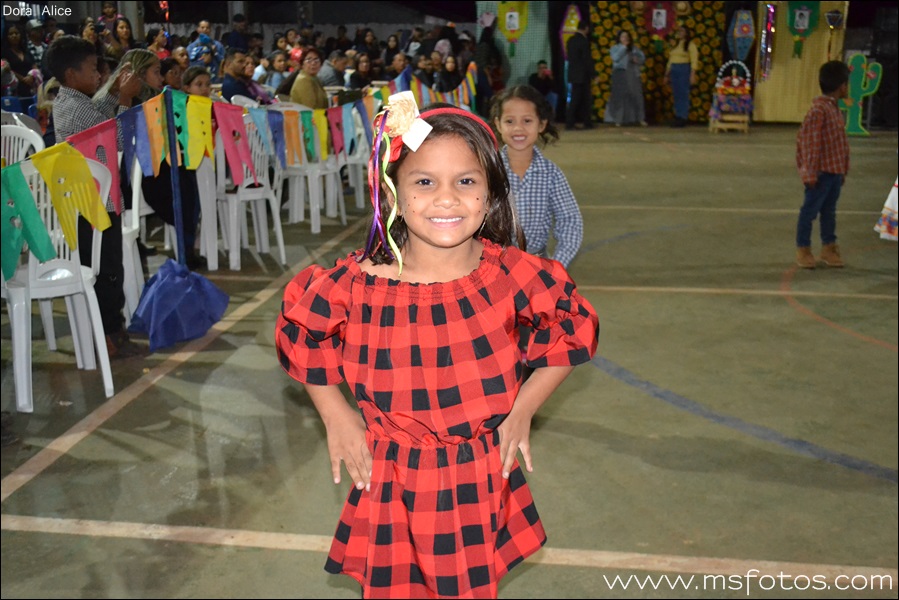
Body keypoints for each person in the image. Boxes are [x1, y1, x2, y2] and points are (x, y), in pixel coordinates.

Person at [274, 95, 599, 599]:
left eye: (465, 182)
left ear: (490, 193)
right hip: (390, 481)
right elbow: (300, 332)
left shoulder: (509, 274)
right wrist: (335, 415)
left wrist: (523, 409)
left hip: (476, 479)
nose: (446, 199)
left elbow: (573, 325)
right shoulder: (357, 285)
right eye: (424, 182)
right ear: (392, 192)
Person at [45, 35, 145, 358]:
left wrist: (113, 92)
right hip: (97, 203)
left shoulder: (70, 101)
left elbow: (98, 117)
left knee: (103, 268)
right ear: (71, 74)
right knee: (108, 270)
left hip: (84, 202)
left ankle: (109, 331)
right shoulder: (78, 110)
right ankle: (110, 335)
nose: (99, 75)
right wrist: (125, 99)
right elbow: (117, 138)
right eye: (92, 69)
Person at [491, 85, 584, 269]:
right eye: (509, 121)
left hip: (537, 267)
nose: (518, 128)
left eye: (527, 121)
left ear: (541, 124)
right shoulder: (488, 172)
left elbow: (570, 221)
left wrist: (555, 267)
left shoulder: (551, 174)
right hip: (493, 266)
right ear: (498, 124)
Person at [795, 60, 851, 269]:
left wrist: (842, 169)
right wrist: (810, 172)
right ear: (842, 86)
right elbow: (810, 143)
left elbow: (840, 143)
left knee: (829, 212)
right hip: (820, 174)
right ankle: (803, 249)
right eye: (847, 84)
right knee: (809, 212)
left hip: (834, 172)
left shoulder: (834, 109)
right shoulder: (819, 110)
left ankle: (829, 248)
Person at [604, 31, 647, 127]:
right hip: (620, 73)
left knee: (636, 96)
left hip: (633, 74)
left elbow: (642, 58)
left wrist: (637, 60)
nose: (625, 38)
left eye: (627, 36)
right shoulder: (615, 48)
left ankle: (639, 118)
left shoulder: (634, 48)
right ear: (619, 38)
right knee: (619, 97)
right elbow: (615, 58)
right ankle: (618, 119)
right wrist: (623, 47)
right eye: (623, 36)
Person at [664, 24, 700, 127]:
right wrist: (666, 74)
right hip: (674, 69)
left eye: (682, 31)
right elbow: (671, 60)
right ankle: (678, 115)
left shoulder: (690, 45)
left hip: (683, 69)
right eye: (679, 31)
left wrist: (692, 74)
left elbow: (694, 60)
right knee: (676, 94)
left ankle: (683, 116)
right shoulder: (676, 45)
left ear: (687, 33)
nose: (680, 33)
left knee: (683, 93)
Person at [565, 20, 595, 130]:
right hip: (583, 75)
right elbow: (587, 59)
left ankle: (570, 122)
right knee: (585, 99)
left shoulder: (570, 40)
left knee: (574, 99)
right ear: (586, 28)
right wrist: (593, 74)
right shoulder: (583, 41)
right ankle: (586, 122)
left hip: (573, 74)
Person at [2, 23, 40, 97]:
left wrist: (31, 76)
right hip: (13, 89)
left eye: (16, 33)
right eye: (11, 34)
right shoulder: (4, 53)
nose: (14, 36)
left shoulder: (26, 51)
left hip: (30, 87)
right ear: (6, 36)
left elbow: (34, 67)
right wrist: (23, 79)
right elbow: (7, 69)